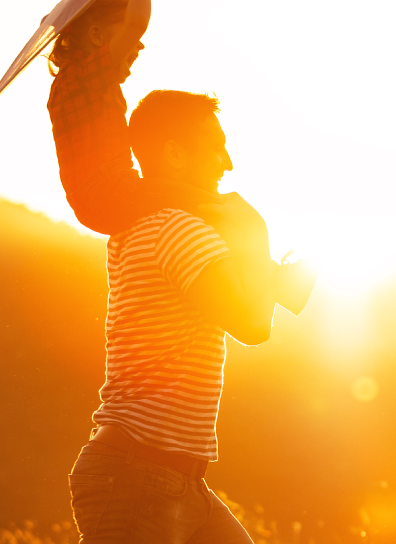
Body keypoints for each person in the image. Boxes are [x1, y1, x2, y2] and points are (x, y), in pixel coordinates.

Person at [66, 89, 315, 544]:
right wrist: (253, 230)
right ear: (176, 154)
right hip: (141, 475)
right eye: (216, 145)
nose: (227, 162)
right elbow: (252, 325)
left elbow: (235, 299)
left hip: (169, 477)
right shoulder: (177, 228)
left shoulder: (148, 222)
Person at [47, 0, 213, 235]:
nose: (138, 44)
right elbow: (137, 24)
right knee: (218, 206)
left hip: (94, 203)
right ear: (97, 36)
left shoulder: (78, 85)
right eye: (125, 34)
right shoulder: (86, 76)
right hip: (113, 193)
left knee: (189, 205)